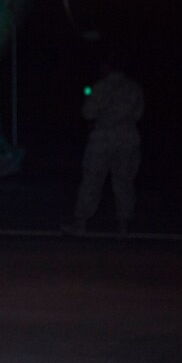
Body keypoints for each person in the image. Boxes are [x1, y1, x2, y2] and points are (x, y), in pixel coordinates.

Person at [63, 54, 144, 236]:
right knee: (124, 182)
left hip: (103, 138)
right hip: (127, 138)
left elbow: (87, 112)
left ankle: (80, 223)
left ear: (108, 67)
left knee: (92, 180)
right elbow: (138, 114)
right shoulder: (134, 88)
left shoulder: (101, 87)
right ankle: (124, 225)